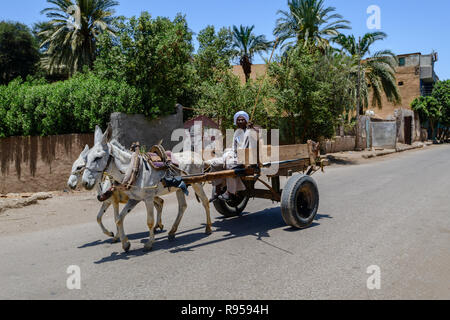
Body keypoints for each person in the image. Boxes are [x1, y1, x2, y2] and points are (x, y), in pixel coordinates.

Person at [208, 111, 257, 202]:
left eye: (243, 120)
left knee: (230, 166)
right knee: (215, 163)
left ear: (246, 121)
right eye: (238, 120)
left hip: (246, 159)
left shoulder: (251, 131)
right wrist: (227, 155)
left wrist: (252, 129)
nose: (240, 121)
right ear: (236, 122)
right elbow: (234, 148)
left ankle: (230, 192)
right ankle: (217, 191)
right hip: (235, 156)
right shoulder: (236, 133)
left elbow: (257, 136)